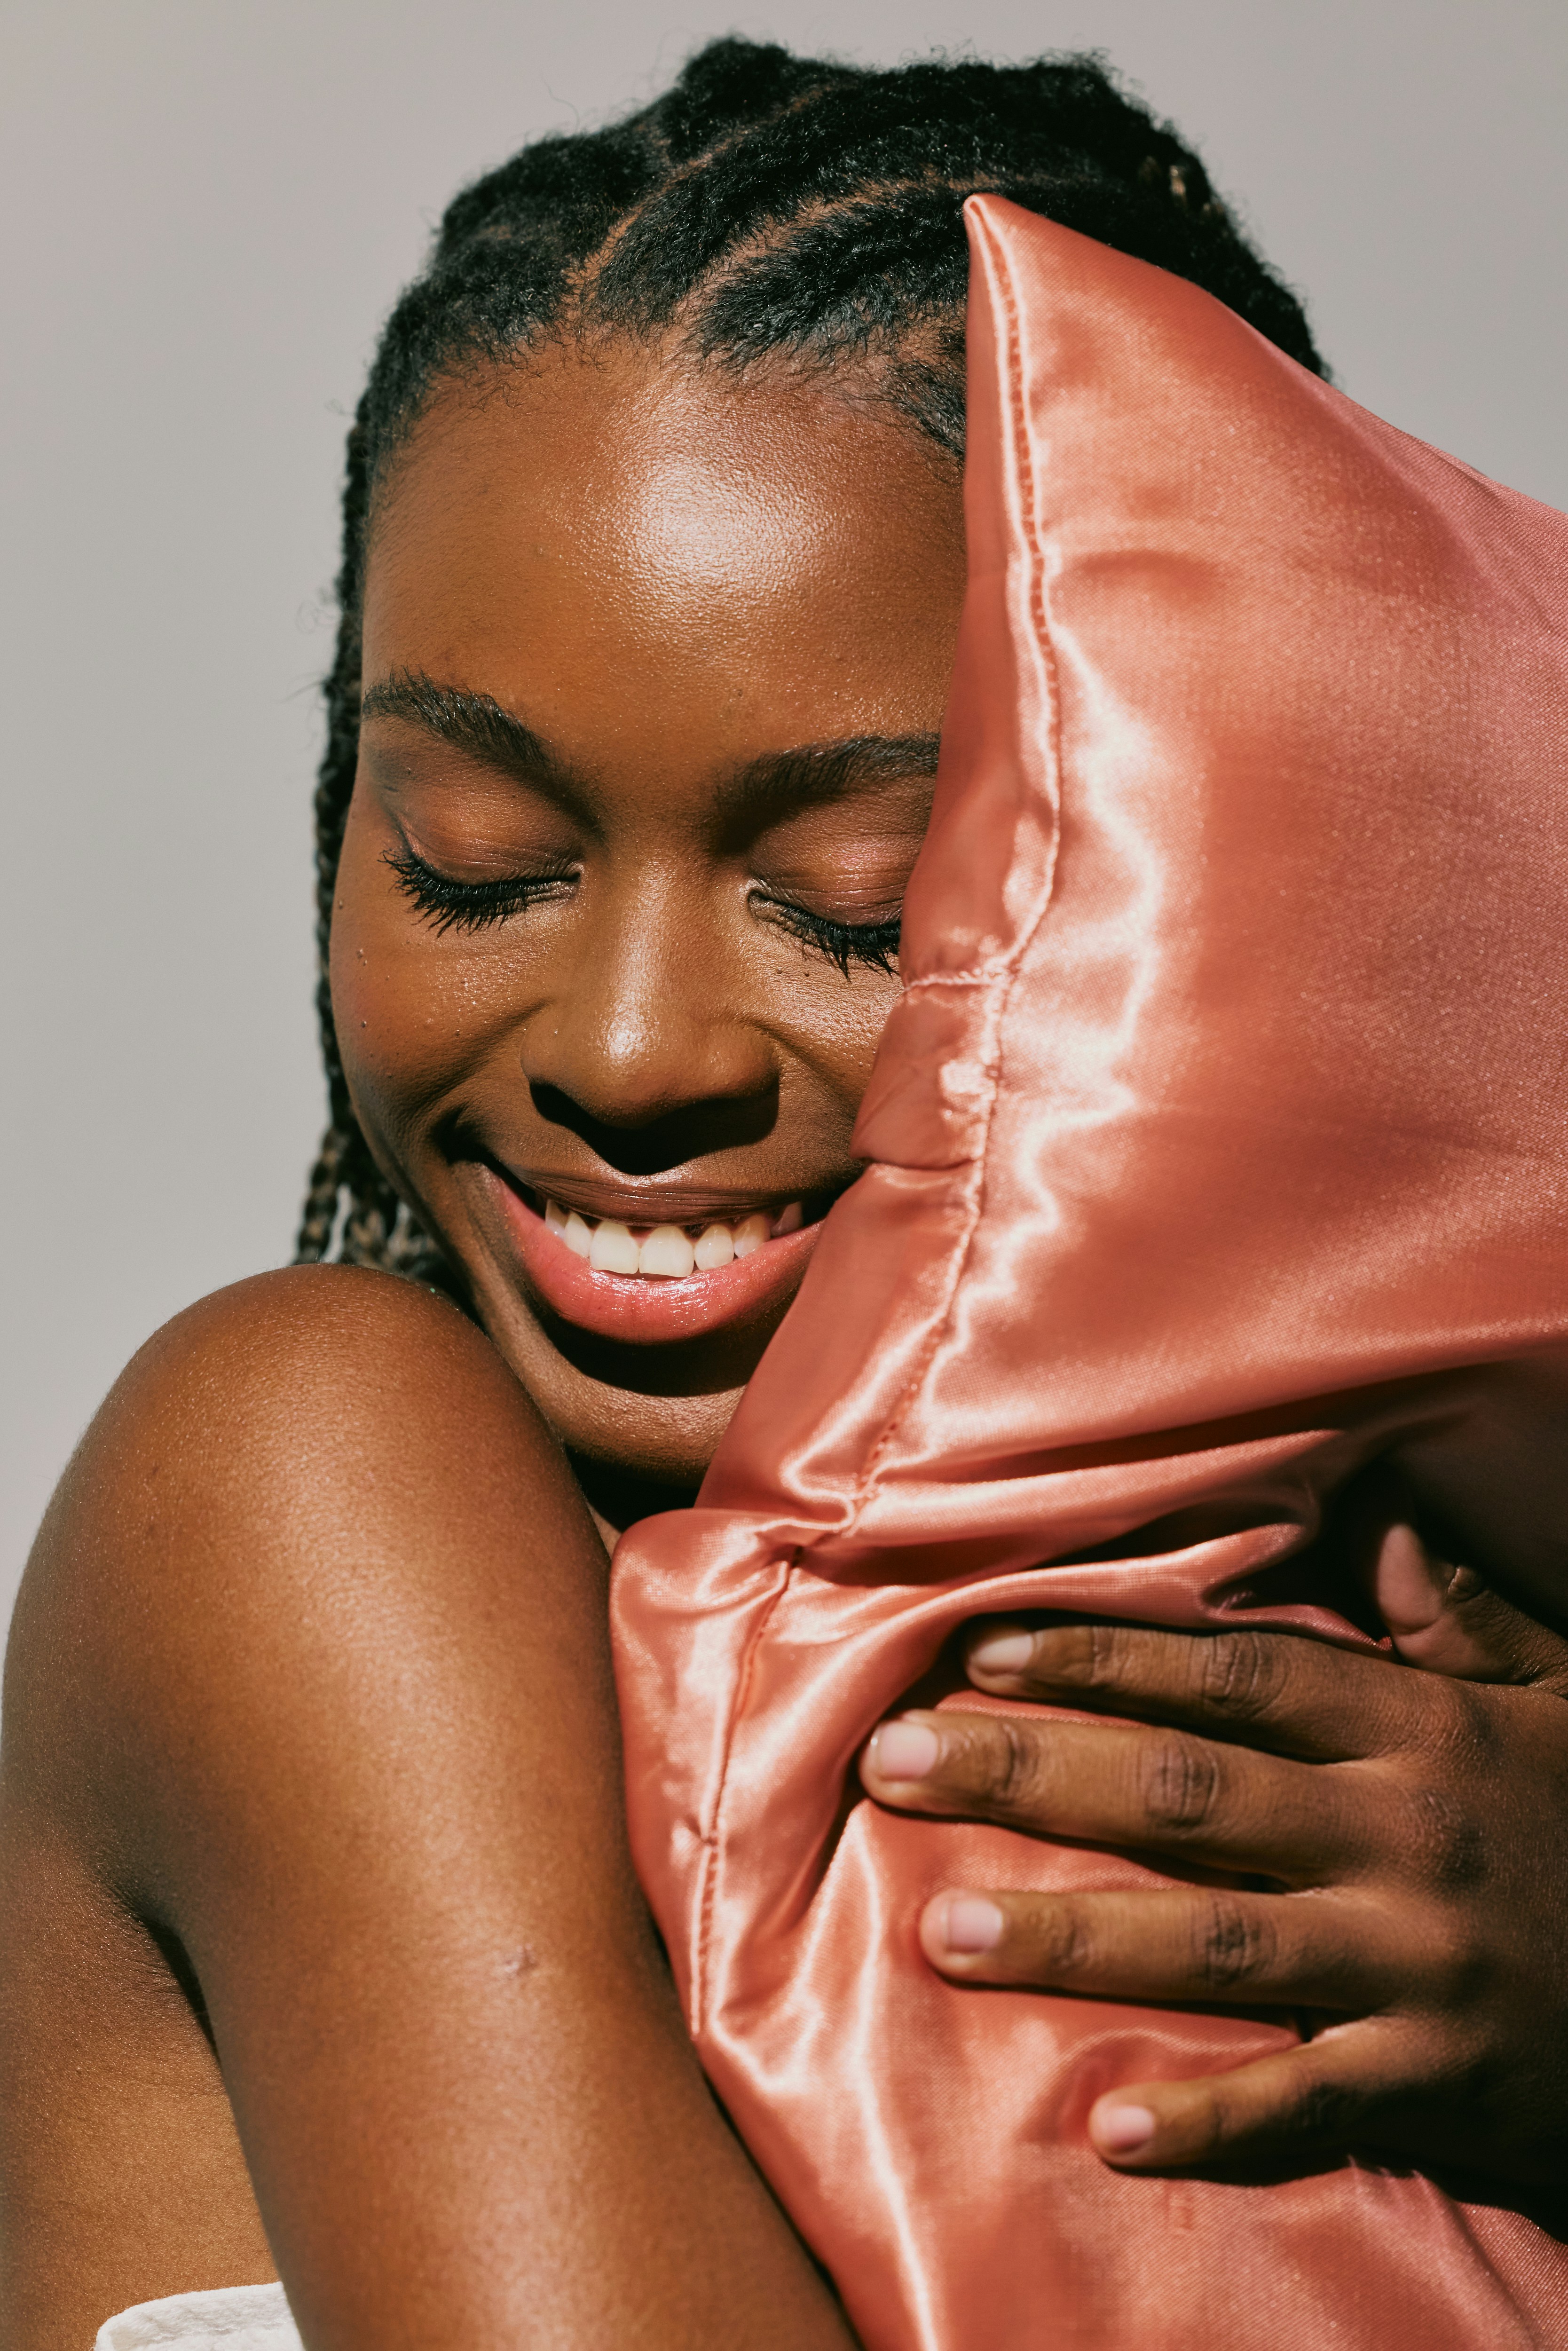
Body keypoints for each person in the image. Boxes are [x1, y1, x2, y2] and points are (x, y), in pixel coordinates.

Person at [2, 39, 1566, 2351]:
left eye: (859, 903)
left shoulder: (1451, 1731)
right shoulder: (309, 1486)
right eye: (476, 862)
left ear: (1232, 859)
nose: (635, 1052)